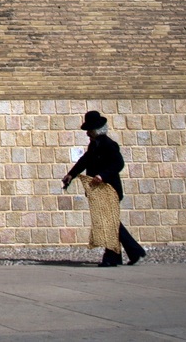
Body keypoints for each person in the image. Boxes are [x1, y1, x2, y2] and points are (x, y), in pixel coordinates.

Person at [61, 110, 147, 267]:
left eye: (89, 130)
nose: (87, 133)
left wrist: (102, 175)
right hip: (99, 191)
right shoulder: (94, 145)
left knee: (109, 223)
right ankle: (124, 254)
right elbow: (84, 160)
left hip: (109, 189)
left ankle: (122, 255)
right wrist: (71, 175)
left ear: (96, 130)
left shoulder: (108, 145)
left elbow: (118, 164)